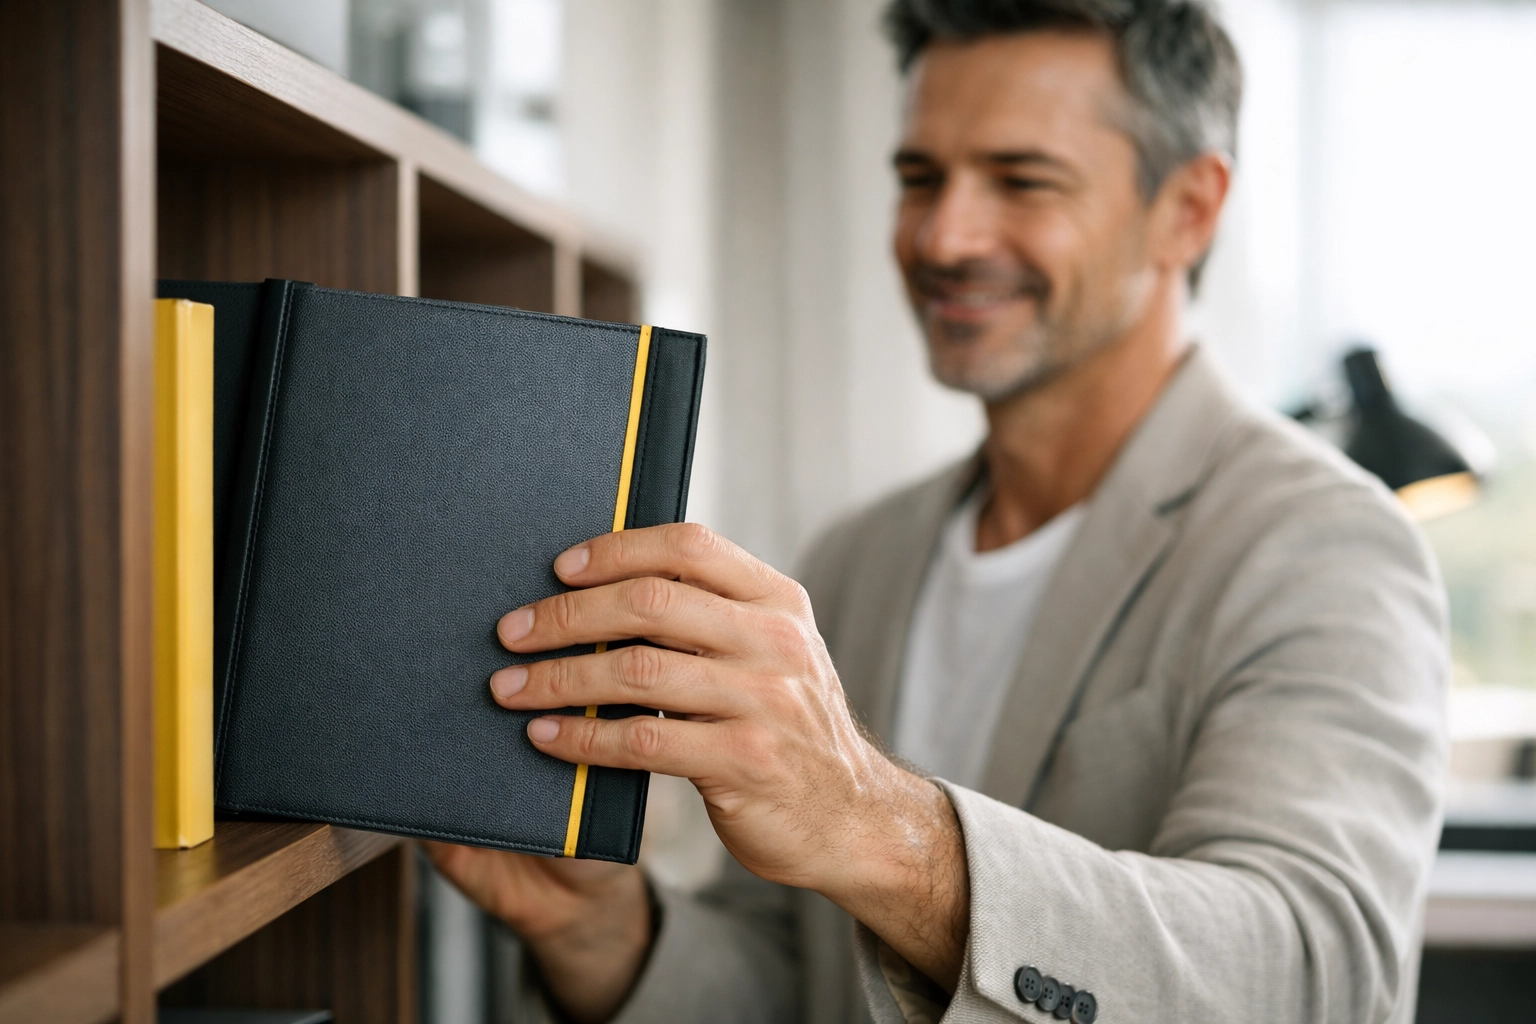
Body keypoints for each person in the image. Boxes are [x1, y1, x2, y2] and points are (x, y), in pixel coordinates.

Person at [429, 1, 1448, 1021]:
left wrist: (872, 823)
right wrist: (603, 930)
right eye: (920, 178)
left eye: (1022, 181)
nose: (945, 235)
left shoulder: (1327, 545)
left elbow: (1316, 979)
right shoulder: (863, 554)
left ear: (1188, 206)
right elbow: (804, 984)